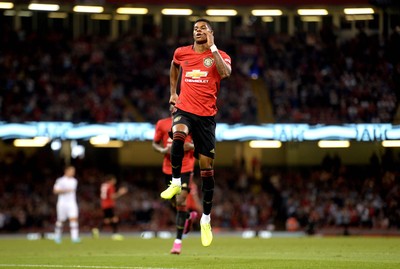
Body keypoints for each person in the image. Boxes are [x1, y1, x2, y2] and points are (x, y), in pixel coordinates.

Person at [160, 18, 232, 247]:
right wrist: (173, 92)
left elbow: (225, 73)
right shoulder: (182, 52)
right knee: (178, 135)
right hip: (185, 110)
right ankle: (174, 181)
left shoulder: (220, 55)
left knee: (207, 170)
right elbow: (173, 65)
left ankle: (206, 219)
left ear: (211, 33)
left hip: (206, 118)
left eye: (203, 28)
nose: (198, 31)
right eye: (195, 28)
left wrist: (212, 47)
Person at [153, 106, 201, 254]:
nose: (174, 105)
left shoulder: (192, 123)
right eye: (172, 102)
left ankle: (177, 243)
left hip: (186, 168)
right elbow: (154, 143)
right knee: (174, 203)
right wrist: (162, 150)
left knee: (180, 202)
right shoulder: (162, 123)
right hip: (168, 169)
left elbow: (201, 144)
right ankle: (188, 216)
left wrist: (190, 146)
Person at [92, 174, 128, 240]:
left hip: (104, 204)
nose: (115, 181)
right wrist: (120, 193)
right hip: (109, 204)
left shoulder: (103, 185)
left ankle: (96, 230)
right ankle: (115, 234)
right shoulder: (110, 186)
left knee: (107, 220)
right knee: (114, 219)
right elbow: (112, 197)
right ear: (111, 180)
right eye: (114, 180)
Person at [53, 165, 81, 244]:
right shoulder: (60, 180)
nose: (73, 172)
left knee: (74, 219)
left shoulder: (74, 181)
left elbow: (71, 190)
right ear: (66, 171)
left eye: (74, 171)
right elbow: (55, 191)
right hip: (62, 203)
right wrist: (65, 190)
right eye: (72, 171)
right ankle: (57, 236)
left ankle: (74, 238)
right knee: (60, 220)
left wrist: (65, 190)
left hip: (72, 203)